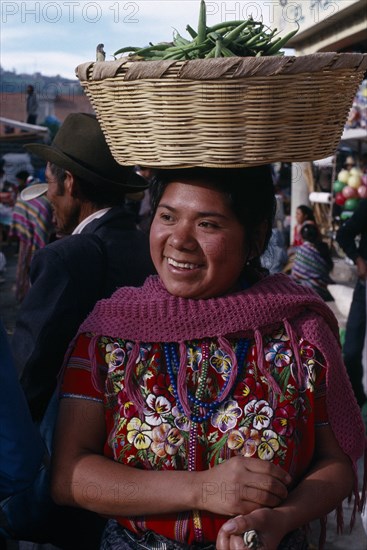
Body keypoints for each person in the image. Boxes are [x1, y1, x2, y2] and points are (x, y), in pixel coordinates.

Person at [51, 166, 364, 550]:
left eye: (208, 224)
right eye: (167, 217)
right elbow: (69, 475)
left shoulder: (299, 333)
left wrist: (281, 519)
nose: (179, 240)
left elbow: (337, 464)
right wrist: (203, 489)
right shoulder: (108, 332)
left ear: (256, 236)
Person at [336, 198, 367, 408]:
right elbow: (343, 234)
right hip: (365, 286)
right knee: (353, 350)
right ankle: (355, 403)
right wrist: (358, 259)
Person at [9, 183, 54, 302]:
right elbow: (42, 234)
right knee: (33, 265)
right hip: (31, 235)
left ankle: (23, 293)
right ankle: (30, 296)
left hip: (26, 234)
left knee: (24, 264)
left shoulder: (38, 202)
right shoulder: (46, 206)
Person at [291, 223, 334, 302]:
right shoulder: (322, 248)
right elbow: (329, 267)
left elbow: (296, 274)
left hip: (306, 289)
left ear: (302, 237)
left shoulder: (301, 250)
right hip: (322, 287)